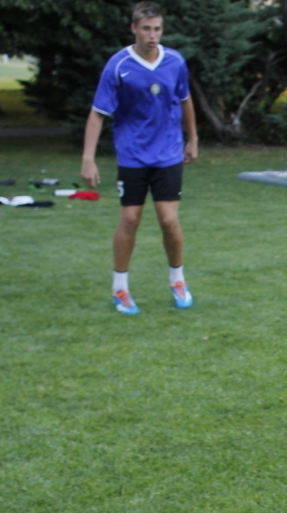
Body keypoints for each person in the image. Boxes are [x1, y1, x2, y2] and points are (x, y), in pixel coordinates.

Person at [81, 1, 198, 315]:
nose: (152, 35)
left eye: (157, 29)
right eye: (146, 29)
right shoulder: (118, 65)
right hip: (132, 154)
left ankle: (178, 280)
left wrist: (193, 139)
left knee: (169, 220)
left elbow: (185, 101)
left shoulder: (174, 61)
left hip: (168, 153)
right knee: (130, 220)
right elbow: (97, 113)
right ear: (134, 28)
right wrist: (88, 158)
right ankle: (120, 288)